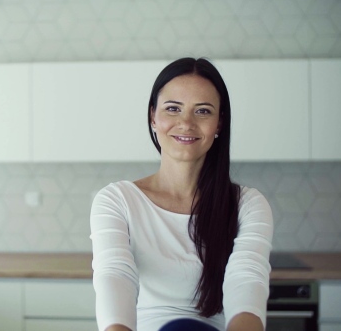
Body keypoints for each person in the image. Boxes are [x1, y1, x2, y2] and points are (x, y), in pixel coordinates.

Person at [90, 57, 273, 331]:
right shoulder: (117, 201)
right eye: (173, 108)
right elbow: (116, 276)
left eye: (203, 111)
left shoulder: (248, 205)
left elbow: (246, 282)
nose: (186, 123)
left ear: (219, 124)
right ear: (153, 116)